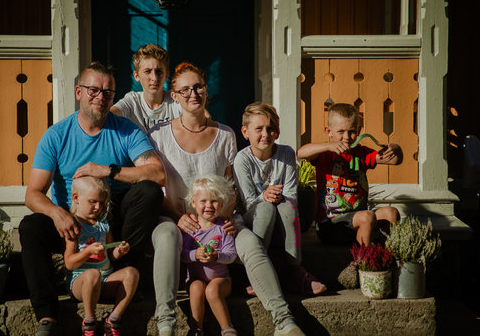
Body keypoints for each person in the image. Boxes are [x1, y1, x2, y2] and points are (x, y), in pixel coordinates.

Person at [148, 62, 305, 336]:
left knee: (250, 243)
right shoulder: (158, 135)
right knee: (166, 236)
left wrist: (227, 215)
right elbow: (154, 188)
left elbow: (231, 187)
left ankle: (284, 321)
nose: (193, 94)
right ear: (173, 96)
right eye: (184, 90)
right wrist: (177, 217)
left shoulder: (225, 134)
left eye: (198, 87)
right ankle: (166, 323)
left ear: (207, 90)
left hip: (220, 221)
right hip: (176, 219)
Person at [20, 61, 166, 336]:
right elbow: (33, 194)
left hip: (113, 221)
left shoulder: (126, 130)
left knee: (149, 191)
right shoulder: (56, 136)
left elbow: (158, 174)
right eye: (93, 90)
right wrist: (58, 214)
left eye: (108, 92)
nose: (101, 97)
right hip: (72, 223)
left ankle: (123, 274)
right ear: (78, 92)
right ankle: (47, 316)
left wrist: (108, 170)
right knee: (30, 227)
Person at [234, 102, 327, 296]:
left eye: (271, 129)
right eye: (258, 129)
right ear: (245, 132)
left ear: (277, 131)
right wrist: (264, 197)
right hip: (255, 218)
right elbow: (247, 202)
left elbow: (292, 196)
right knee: (266, 208)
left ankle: (295, 270)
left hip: (282, 217)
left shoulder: (286, 153)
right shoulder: (242, 159)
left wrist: (277, 198)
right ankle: (255, 269)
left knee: (288, 207)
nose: (265, 134)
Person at [296, 103, 402, 246]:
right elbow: (300, 153)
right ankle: (364, 262)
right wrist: (328, 146)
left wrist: (395, 148)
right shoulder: (325, 155)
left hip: (360, 220)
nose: (347, 137)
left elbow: (396, 160)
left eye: (351, 131)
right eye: (341, 131)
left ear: (359, 131)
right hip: (331, 225)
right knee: (367, 216)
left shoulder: (361, 153)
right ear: (328, 131)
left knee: (391, 213)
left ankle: (384, 257)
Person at [64, 177, 138, 336]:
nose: (98, 207)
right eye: (93, 202)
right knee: (92, 274)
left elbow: (111, 255)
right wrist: (87, 252)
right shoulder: (73, 225)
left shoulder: (103, 225)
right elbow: (69, 263)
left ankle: (114, 318)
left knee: (132, 273)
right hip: (81, 282)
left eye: (102, 203)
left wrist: (119, 251)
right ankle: (89, 321)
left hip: (105, 280)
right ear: (76, 198)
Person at [182, 175, 238, 336]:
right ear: (193, 202)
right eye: (203, 201)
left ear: (221, 204)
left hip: (221, 281)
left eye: (214, 201)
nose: (209, 205)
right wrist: (194, 254)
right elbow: (182, 255)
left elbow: (231, 255)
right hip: (194, 280)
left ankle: (227, 328)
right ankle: (196, 328)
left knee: (212, 289)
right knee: (196, 287)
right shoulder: (190, 230)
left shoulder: (223, 228)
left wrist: (217, 256)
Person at [109, 44, 181, 132]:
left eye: (159, 71)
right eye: (147, 71)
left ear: (166, 75)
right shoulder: (133, 101)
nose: (154, 78)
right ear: (136, 76)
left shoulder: (175, 99)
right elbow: (108, 117)